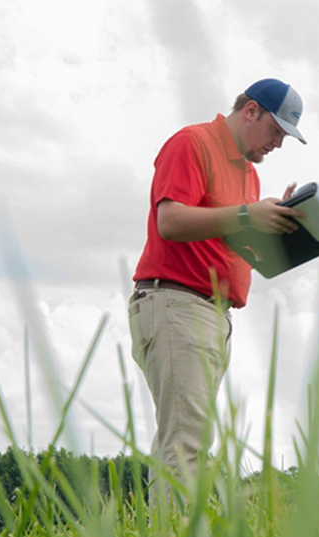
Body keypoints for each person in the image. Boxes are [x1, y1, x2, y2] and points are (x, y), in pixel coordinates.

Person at [129, 78, 307, 501]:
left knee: (185, 441)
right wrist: (248, 215)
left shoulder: (247, 174)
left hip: (212, 313)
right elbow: (169, 222)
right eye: (276, 131)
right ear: (250, 111)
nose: (277, 144)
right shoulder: (192, 143)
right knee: (186, 447)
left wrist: (278, 228)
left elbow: (229, 241)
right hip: (176, 302)